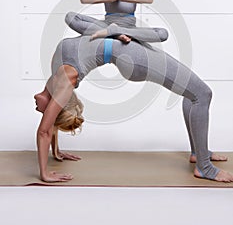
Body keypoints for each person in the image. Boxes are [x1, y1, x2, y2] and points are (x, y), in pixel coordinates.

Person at [35, 26, 233, 183]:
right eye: (48, 113)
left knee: (194, 94)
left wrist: (56, 151)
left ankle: (198, 154)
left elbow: (49, 126)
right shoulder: (64, 82)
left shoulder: (56, 80)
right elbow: (46, 128)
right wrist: (44, 173)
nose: (40, 111)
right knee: (201, 94)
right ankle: (204, 167)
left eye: (46, 113)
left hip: (128, 51)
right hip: (130, 56)